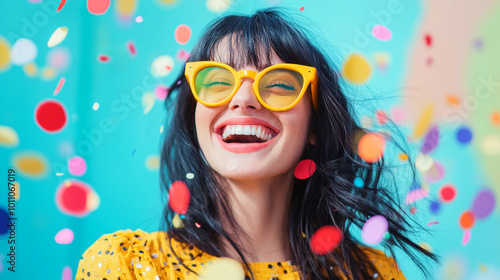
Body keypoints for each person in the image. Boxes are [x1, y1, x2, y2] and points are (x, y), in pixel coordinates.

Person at [75, 7, 438, 280]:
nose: (244, 99)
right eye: (217, 81)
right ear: (194, 116)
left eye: (279, 84)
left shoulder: (371, 273)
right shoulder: (122, 264)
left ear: (314, 126)